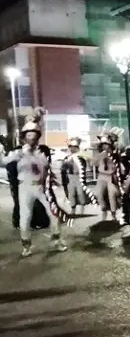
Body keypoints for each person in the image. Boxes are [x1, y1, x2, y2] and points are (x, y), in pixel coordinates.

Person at [1, 108, 69, 256]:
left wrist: (54, 183)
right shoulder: (19, 152)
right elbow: (3, 161)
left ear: (37, 137)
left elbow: (47, 169)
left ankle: (56, 240)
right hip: (25, 188)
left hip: (41, 188)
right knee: (25, 217)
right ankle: (26, 246)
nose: (31, 137)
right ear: (25, 137)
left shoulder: (42, 152)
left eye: (34, 134)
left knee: (54, 214)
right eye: (28, 134)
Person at [93, 128, 124, 222]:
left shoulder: (115, 154)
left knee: (112, 194)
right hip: (102, 176)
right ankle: (104, 210)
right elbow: (93, 163)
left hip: (111, 176)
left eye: (106, 144)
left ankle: (113, 215)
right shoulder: (100, 154)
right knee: (99, 194)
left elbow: (119, 165)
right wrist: (99, 156)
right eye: (103, 144)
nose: (104, 146)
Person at [61, 138, 94, 215]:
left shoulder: (81, 158)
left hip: (78, 177)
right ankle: (73, 209)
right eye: (71, 147)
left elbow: (84, 167)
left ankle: (82, 209)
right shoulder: (67, 158)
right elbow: (63, 169)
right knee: (71, 194)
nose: (72, 149)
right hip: (70, 177)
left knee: (80, 193)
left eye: (74, 147)